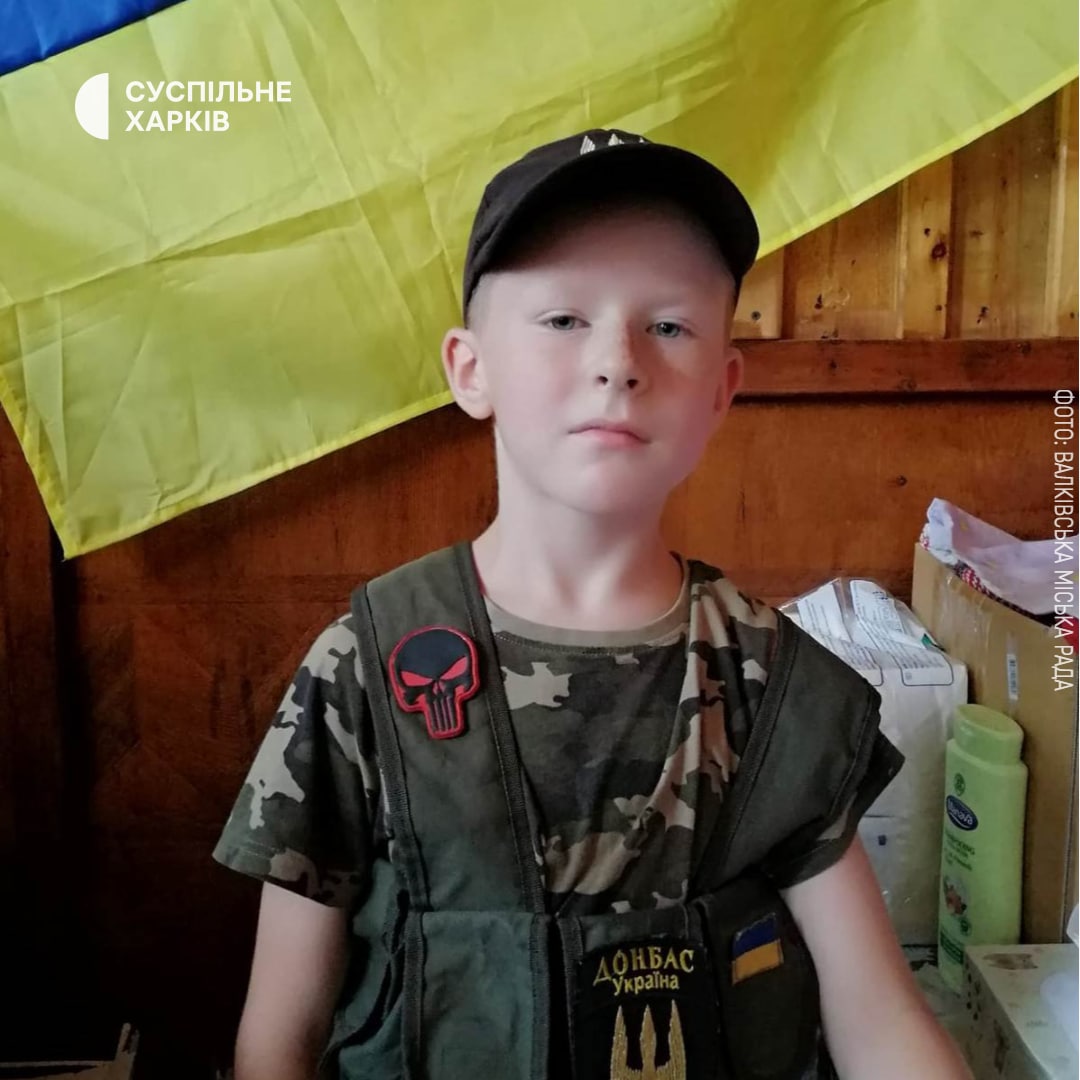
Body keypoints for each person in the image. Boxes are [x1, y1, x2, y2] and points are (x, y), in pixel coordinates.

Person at [214, 129, 973, 1079]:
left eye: (670, 326)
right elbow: (279, 1037)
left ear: (721, 390)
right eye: (564, 318)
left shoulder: (774, 684)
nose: (618, 361)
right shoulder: (364, 667)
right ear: (470, 370)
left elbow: (879, 1021)